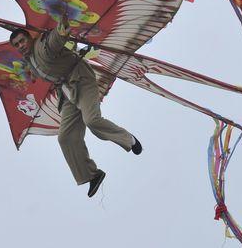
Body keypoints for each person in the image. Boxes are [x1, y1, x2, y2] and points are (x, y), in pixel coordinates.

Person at [9, 15, 142, 198]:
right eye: (16, 45)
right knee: (65, 137)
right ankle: (91, 175)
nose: (20, 46)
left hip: (82, 80)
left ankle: (129, 140)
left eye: (22, 41)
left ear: (29, 38)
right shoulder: (30, 61)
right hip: (67, 93)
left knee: (92, 121)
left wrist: (63, 20)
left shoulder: (42, 45)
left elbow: (57, 38)